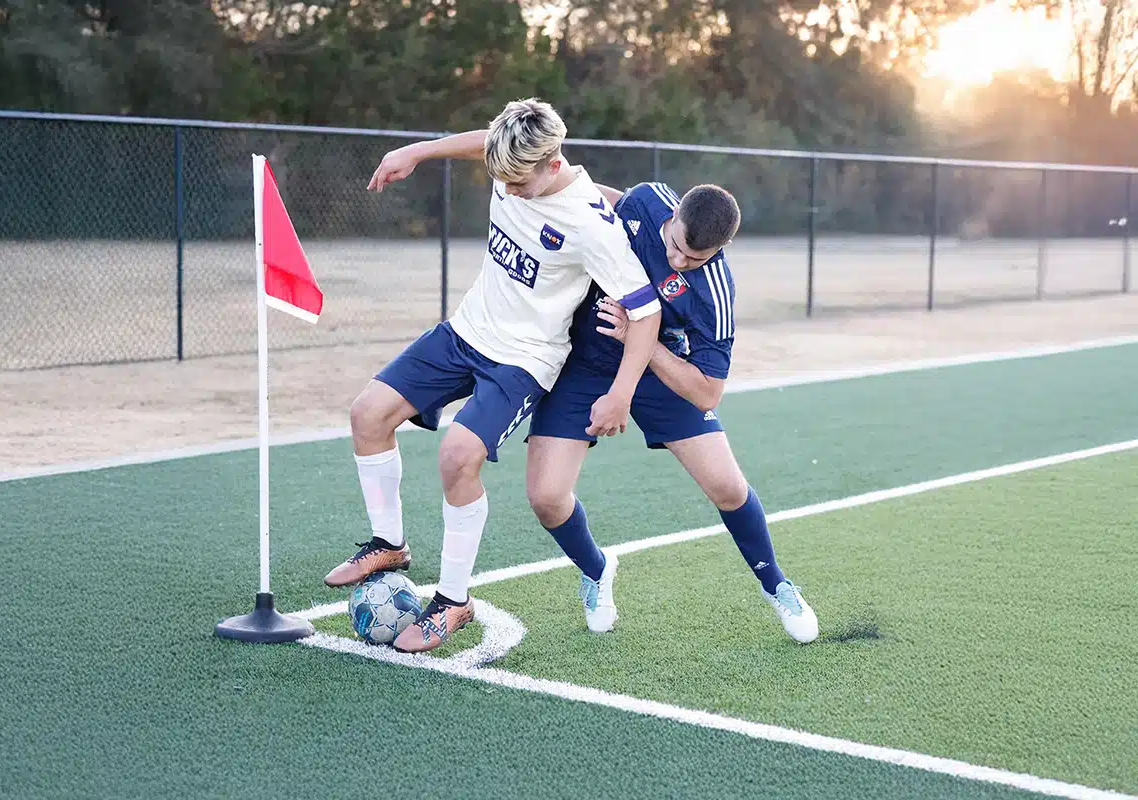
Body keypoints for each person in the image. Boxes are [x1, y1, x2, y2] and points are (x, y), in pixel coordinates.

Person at [323, 99, 663, 653]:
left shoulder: (590, 225)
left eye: (519, 183)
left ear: (554, 164)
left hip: (523, 360)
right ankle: (390, 543)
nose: (508, 190)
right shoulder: (512, 158)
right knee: (367, 415)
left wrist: (621, 394)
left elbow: (646, 312)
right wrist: (417, 152)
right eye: (500, 178)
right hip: (465, 332)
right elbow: (484, 138)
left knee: (458, 456)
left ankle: (453, 601)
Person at [525, 180, 820, 644]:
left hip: (659, 371)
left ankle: (776, 583)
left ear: (721, 249)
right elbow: (596, 194)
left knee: (727, 486)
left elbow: (708, 393)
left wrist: (641, 341)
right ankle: (596, 569)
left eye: (695, 258)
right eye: (677, 247)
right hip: (584, 362)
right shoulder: (646, 200)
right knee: (546, 497)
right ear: (675, 213)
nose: (680, 261)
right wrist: (544, 186)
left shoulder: (714, 292)